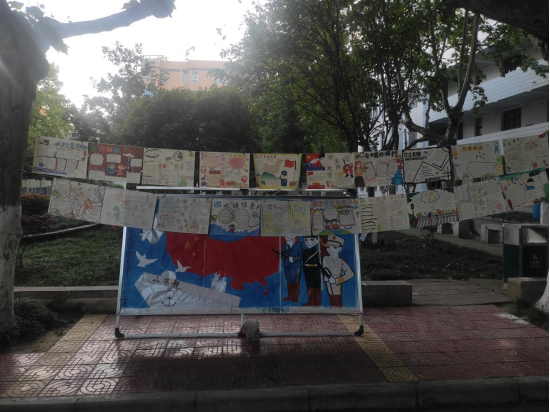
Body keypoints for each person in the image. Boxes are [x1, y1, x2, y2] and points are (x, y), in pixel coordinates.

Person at [322, 235, 355, 307]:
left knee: (337, 299)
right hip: (327, 282)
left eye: (335, 247)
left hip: (336, 284)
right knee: (331, 298)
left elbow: (350, 274)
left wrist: (336, 280)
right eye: (328, 247)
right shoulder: (325, 259)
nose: (330, 249)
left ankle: (337, 308)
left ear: (340, 249)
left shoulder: (341, 262)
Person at [282, 236, 303, 302]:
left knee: (295, 282)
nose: (288, 237)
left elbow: (301, 256)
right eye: (286, 235)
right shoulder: (284, 245)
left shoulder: (298, 245)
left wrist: (294, 259)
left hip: (295, 266)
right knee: (289, 281)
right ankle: (290, 296)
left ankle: (295, 297)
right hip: (286, 265)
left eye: (290, 235)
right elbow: (283, 255)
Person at [302, 236, 322, 307]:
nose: (308, 242)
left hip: (315, 271)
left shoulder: (318, 252)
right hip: (307, 271)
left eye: (311, 239)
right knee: (309, 286)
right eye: (306, 240)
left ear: (317, 240)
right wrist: (305, 270)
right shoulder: (305, 251)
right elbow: (303, 263)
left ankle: (317, 302)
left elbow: (320, 263)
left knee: (316, 286)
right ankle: (311, 301)